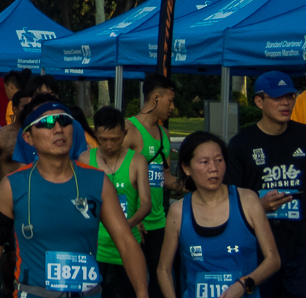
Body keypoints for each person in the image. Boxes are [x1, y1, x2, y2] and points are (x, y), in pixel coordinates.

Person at [0, 94, 150, 298]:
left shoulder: (98, 182)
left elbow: (126, 243)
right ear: (28, 137)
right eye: (46, 123)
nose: (58, 129)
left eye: (64, 120)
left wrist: (142, 292)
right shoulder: (12, 187)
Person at [158, 131, 280, 298]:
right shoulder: (178, 212)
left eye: (219, 160)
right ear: (186, 168)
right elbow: (163, 269)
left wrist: (244, 284)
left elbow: (273, 259)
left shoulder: (248, 201)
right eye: (204, 162)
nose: (213, 168)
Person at [226, 71, 306, 298]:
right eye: (277, 97)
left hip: (300, 247)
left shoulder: (303, 136)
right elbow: (229, 199)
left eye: (290, 96)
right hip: (260, 248)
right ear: (258, 101)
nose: (286, 103)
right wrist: (258, 206)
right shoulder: (241, 144)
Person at [78, 106, 152, 298]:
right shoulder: (85, 160)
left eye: (115, 139)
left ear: (125, 133)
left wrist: (129, 224)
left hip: (127, 243)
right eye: (103, 140)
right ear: (95, 134)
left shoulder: (137, 161)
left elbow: (146, 203)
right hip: (96, 247)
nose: (109, 145)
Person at [124, 73, 183, 298]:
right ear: (156, 99)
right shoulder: (128, 130)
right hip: (133, 223)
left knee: (161, 283)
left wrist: (199, 189)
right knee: (133, 286)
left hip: (158, 222)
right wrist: (132, 218)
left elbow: (166, 177)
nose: (173, 106)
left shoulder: (164, 134)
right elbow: (111, 175)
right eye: (170, 100)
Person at [0, 90, 29, 297]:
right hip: (6, 204)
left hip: (31, 203)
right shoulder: (0, 136)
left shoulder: (39, 136)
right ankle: (7, 286)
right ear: (15, 108)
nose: (29, 109)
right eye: (25, 105)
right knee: (9, 257)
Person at [12, 74, 88, 163]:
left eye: (51, 96)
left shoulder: (74, 126)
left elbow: (82, 162)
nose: (59, 130)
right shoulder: (25, 129)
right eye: (41, 97)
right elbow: (22, 168)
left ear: (57, 98)